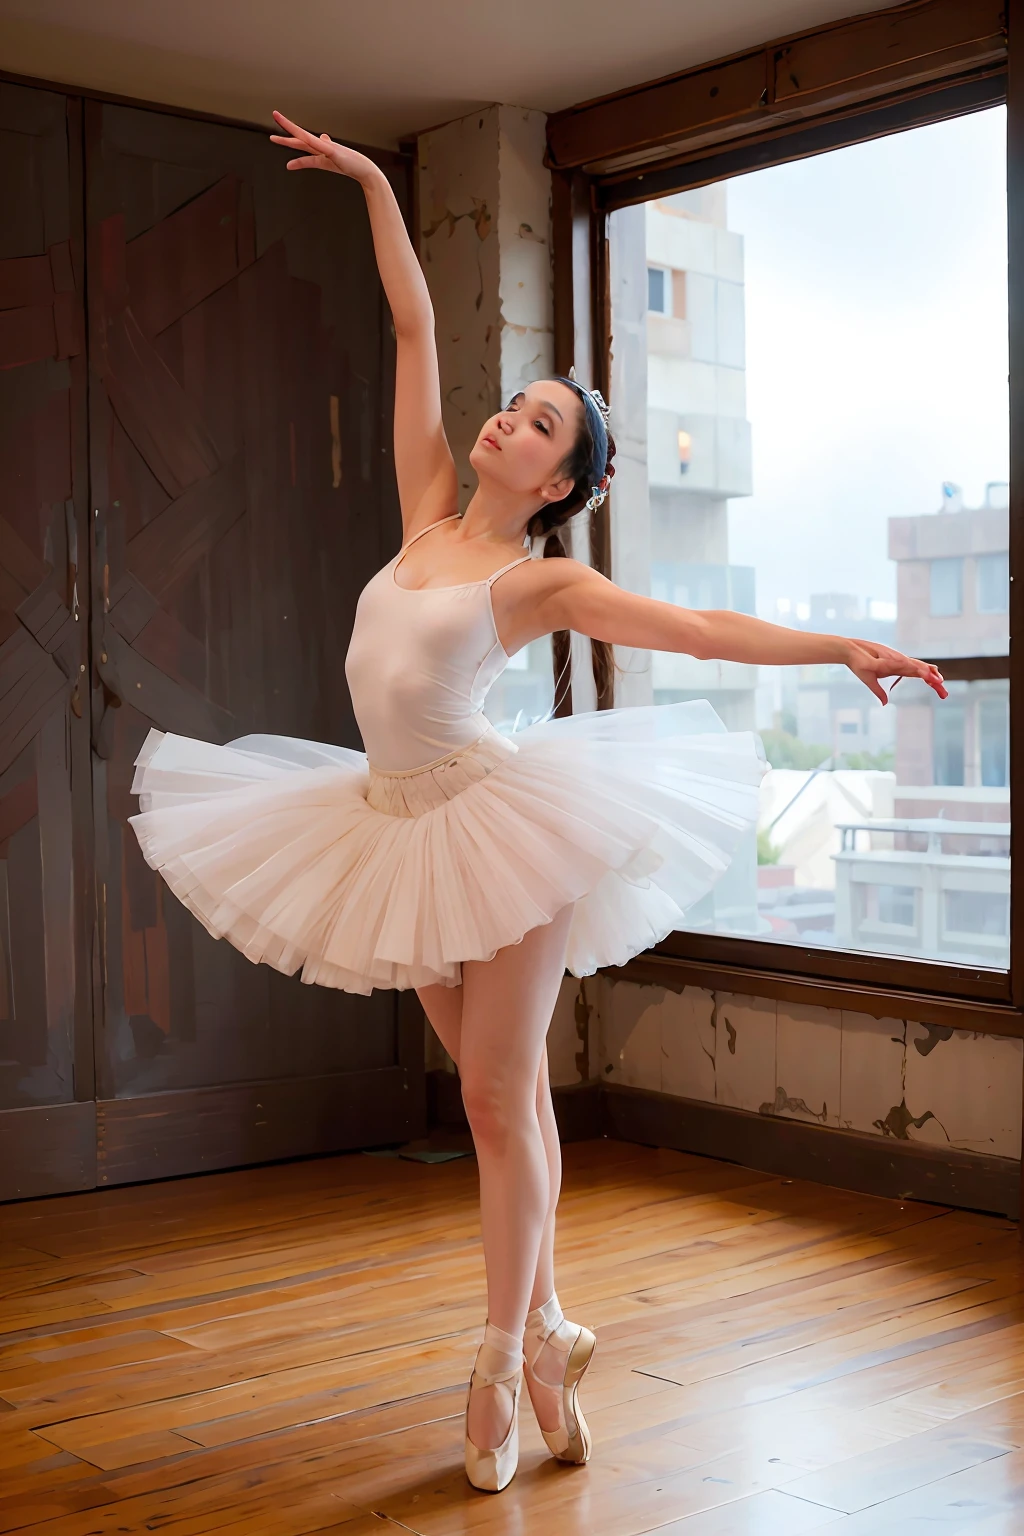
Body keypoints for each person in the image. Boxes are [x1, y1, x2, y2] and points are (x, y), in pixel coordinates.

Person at [129, 111, 948, 1496]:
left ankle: (499, 1359)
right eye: (519, 401)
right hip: (388, 827)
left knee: (500, 1104)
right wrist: (379, 186)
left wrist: (843, 646)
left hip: (499, 831)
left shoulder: (537, 583)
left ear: (558, 483)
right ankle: (560, 1333)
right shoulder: (426, 510)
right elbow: (409, 336)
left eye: (541, 423)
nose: (509, 415)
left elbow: (691, 628)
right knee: (502, 1104)